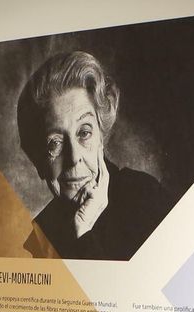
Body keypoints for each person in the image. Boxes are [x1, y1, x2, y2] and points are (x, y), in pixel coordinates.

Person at [16, 50, 172, 261]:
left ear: (101, 136)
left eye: (84, 133)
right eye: (55, 143)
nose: (73, 158)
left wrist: (83, 233)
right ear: (39, 161)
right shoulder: (42, 238)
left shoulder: (146, 199)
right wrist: (83, 223)